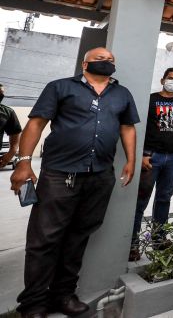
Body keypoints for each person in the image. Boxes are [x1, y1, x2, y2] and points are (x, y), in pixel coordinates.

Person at [10, 48, 139, 318]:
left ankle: (63, 295)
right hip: (59, 174)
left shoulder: (122, 94)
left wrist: (130, 159)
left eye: (111, 60)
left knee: (77, 238)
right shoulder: (60, 87)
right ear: (85, 63)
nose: (107, 62)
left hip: (100, 175)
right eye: (101, 58)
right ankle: (33, 304)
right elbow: (36, 123)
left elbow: (128, 127)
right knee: (44, 241)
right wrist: (23, 162)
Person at [129, 67, 173, 262]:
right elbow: (141, 128)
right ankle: (132, 244)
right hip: (151, 156)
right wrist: (143, 154)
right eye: (170, 78)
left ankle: (159, 239)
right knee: (140, 201)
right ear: (162, 80)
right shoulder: (151, 100)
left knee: (164, 199)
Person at [0, 83, 23, 169]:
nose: (1, 95)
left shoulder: (7, 112)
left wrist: (11, 152)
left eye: (1, 93)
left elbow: (15, 131)